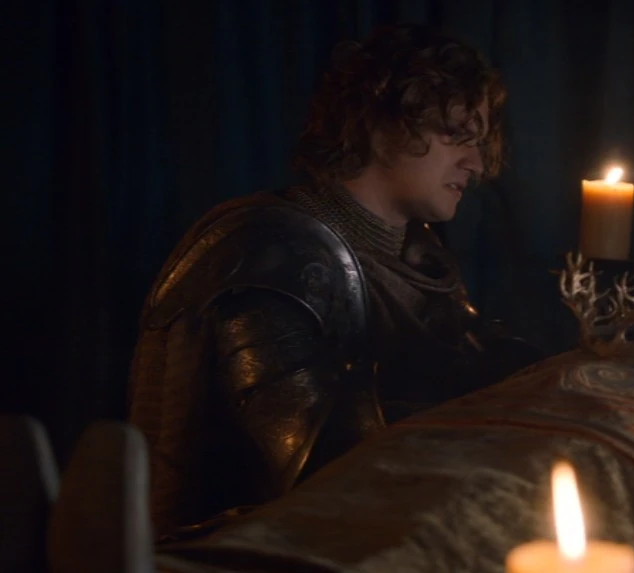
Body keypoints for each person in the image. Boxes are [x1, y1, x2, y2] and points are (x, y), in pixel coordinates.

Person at [128, 24, 542, 536]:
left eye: (478, 143)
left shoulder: (421, 255)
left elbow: (471, 369)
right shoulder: (272, 252)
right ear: (382, 125)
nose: (476, 164)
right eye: (456, 135)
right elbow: (324, 473)